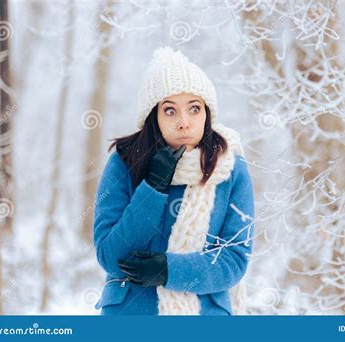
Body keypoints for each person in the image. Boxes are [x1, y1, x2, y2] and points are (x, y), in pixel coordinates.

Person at [92, 46, 255, 315]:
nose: (184, 122)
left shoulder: (230, 167)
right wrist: (153, 188)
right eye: (170, 111)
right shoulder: (124, 162)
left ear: (207, 113)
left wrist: (170, 270)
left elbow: (234, 259)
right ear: (153, 116)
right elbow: (111, 256)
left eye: (194, 108)